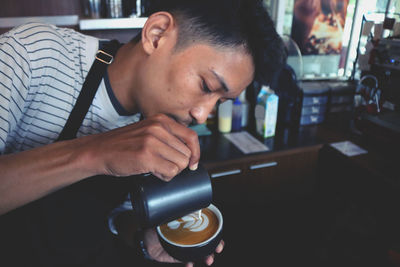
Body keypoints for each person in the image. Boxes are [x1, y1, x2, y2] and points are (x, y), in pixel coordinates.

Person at [0, 0, 286, 266]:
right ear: (157, 34)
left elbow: (115, 213)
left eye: (219, 102)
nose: (202, 115)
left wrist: (143, 238)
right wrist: (94, 152)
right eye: (207, 87)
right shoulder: (36, 54)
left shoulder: (163, 129)